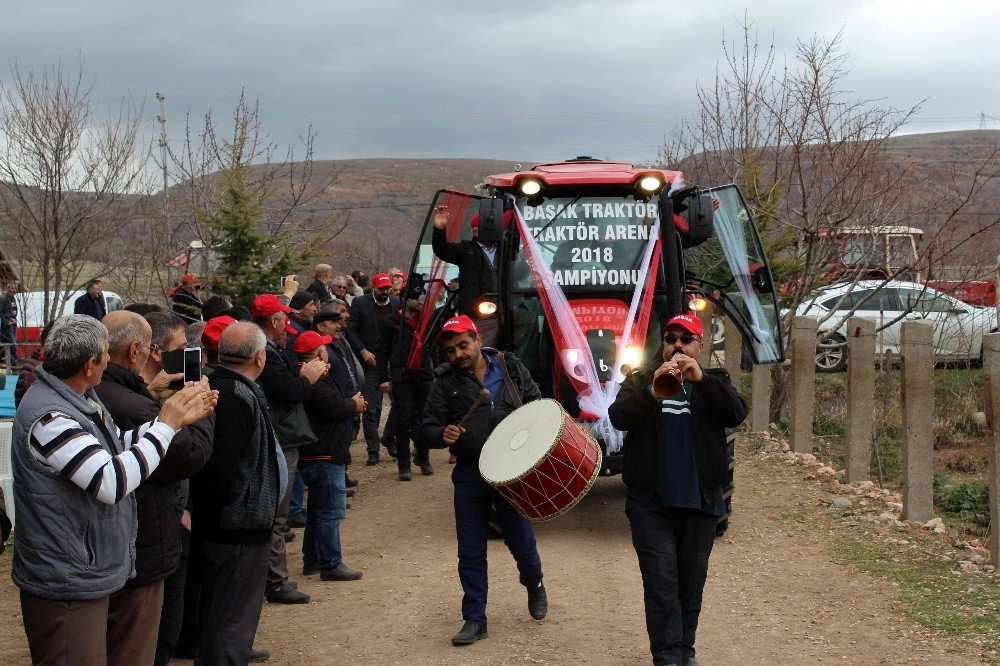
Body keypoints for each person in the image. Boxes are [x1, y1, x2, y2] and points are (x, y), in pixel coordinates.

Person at [11, 314, 216, 665]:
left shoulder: (78, 397)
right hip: (66, 577)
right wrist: (166, 426)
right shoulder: (50, 416)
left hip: (80, 570)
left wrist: (169, 420)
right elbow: (109, 481)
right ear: (90, 363)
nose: (111, 361)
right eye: (106, 354)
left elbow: (117, 445)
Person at [608, 313, 749, 666]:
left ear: (700, 347)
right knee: (661, 583)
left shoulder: (715, 380)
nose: (678, 346)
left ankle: (685, 652)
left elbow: (736, 413)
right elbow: (619, 417)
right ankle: (668, 657)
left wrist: (701, 380)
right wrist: (652, 390)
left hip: (700, 502)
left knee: (689, 585)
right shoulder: (641, 378)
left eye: (687, 339)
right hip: (650, 503)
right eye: (671, 338)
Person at [93, 311, 215, 666]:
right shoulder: (130, 404)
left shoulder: (118, 394)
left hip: (135, 541)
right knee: (143, 643)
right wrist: (199, 408)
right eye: (178, 348)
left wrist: (152, 394)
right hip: (143, 545)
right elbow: (187, 455)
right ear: (137, 351)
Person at [421, 315, 548, 646]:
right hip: (470, 474)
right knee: (471, 550)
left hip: (511, 474)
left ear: (477, 339)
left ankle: (534, 583)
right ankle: (475, 619)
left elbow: (536, 405)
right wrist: (441, 434)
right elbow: (425, 429)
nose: (458, 354)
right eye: (450, 350)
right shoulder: (444, 383)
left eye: (463, 345)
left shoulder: (510, 367)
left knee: (521, 541)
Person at [189, 321, 284, 664]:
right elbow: (219, 468)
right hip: (237, 529)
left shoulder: (222, 386)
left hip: (230, 526)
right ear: (260, 357)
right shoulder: (232, 395)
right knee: (230, 623)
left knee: (218, 617)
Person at [252, 293, 328, 604]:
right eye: (284, 317)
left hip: (282, 438)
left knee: (278, 515)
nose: (288, 324)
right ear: (275, 321)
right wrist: (307, 379)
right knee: (277, 516)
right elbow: (289, 390)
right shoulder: (265, 354)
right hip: (280, 440)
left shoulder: (270, 351)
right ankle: (276, 581)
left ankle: (275, 578)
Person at [295, 329, 366, 581]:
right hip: (323, 453)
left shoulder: (311, 378)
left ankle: (313, 559)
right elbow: (332, 407)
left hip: (318, 453)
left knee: (317, 508)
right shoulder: (315, 381)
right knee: (330, 511)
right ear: (319, 353)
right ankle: (330, 562)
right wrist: (353, 405)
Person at [345, 272, 400, 465]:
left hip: (392, 361)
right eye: (381, 289)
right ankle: (373, 450)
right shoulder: (361, 303)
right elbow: (350, 330)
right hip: (371, 361)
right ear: (373, 288)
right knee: (369, 407)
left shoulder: (395, 302)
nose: (385, 292)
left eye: (387, 288)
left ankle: (391, 438)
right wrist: (362, 351)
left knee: (400, 403)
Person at [376, 297, 434, 481]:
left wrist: (438, 369)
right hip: (402, 376)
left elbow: (434, 346)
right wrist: (384, 378)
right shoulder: (390, 321)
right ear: (405, 298)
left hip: (424, 375)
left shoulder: (425, 319)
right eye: (416, 297)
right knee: (403, 420)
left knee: (426, 418)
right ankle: (404, 465)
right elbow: (382, 350)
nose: (420, 301)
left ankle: (423, 458)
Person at [431, 206, 503, 347]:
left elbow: (521, 270)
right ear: (475, 231)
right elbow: (442, 249)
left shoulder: (505, 248)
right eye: (486, 227)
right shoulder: (465, 250)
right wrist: (439, 229)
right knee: (482, 351)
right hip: (478, 314)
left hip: (505, 308)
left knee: (526, 316)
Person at [0, 281, 21, 365]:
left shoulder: (13, 298)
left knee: (8, 346)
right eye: (12, 288)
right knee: (12, 343)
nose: (14, 290)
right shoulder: (3, 298)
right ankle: (16, 360)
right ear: (7, 288)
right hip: (7, 325)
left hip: (13, 323)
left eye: (15, 288)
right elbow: (0, 312)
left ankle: (13, 362)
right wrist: (5, 321)